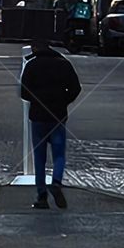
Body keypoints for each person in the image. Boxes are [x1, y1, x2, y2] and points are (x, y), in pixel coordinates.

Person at [20, 41, 81, 208]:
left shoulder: (32, 65)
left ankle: (42, 196)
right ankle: (56, 182)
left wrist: (36, 101)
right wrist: (64, 101)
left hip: (38, 117)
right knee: (59, 154)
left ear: (35, 49)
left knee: (39, 158)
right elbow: (76, 88)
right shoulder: (64, 64)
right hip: (58, 116)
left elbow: (24, 93)